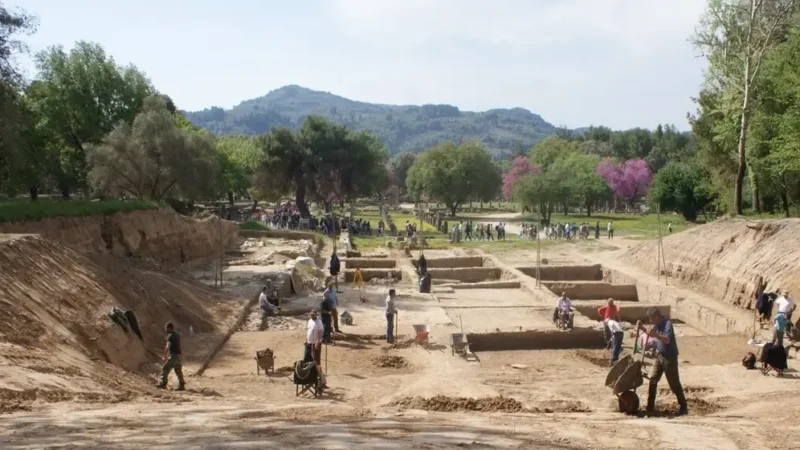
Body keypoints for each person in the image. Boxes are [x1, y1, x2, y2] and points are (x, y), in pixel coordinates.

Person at [637, 307, 687, 416]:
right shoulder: (657, 325)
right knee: (653, 380)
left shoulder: (667, 324)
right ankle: (650, 407)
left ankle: (683, 406)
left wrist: (655, 335)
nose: (651, 321)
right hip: (660, 355)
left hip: (670, 357)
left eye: (652, 319)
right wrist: (642, 328)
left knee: (674, 383)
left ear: (657, 317)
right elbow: (651, 333)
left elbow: (667, 339)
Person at [157, 322, 185, 391]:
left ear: (169, 328)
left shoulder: (170, 336)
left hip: (174, 356)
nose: (165, 329)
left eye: (166, 328)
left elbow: (167, 347)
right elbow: (180, 345)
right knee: (178, 371)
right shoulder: (178, 335)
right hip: (179, 356)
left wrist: (165, 356)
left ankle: (163, 384)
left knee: (165, 369)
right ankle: (182, 385)